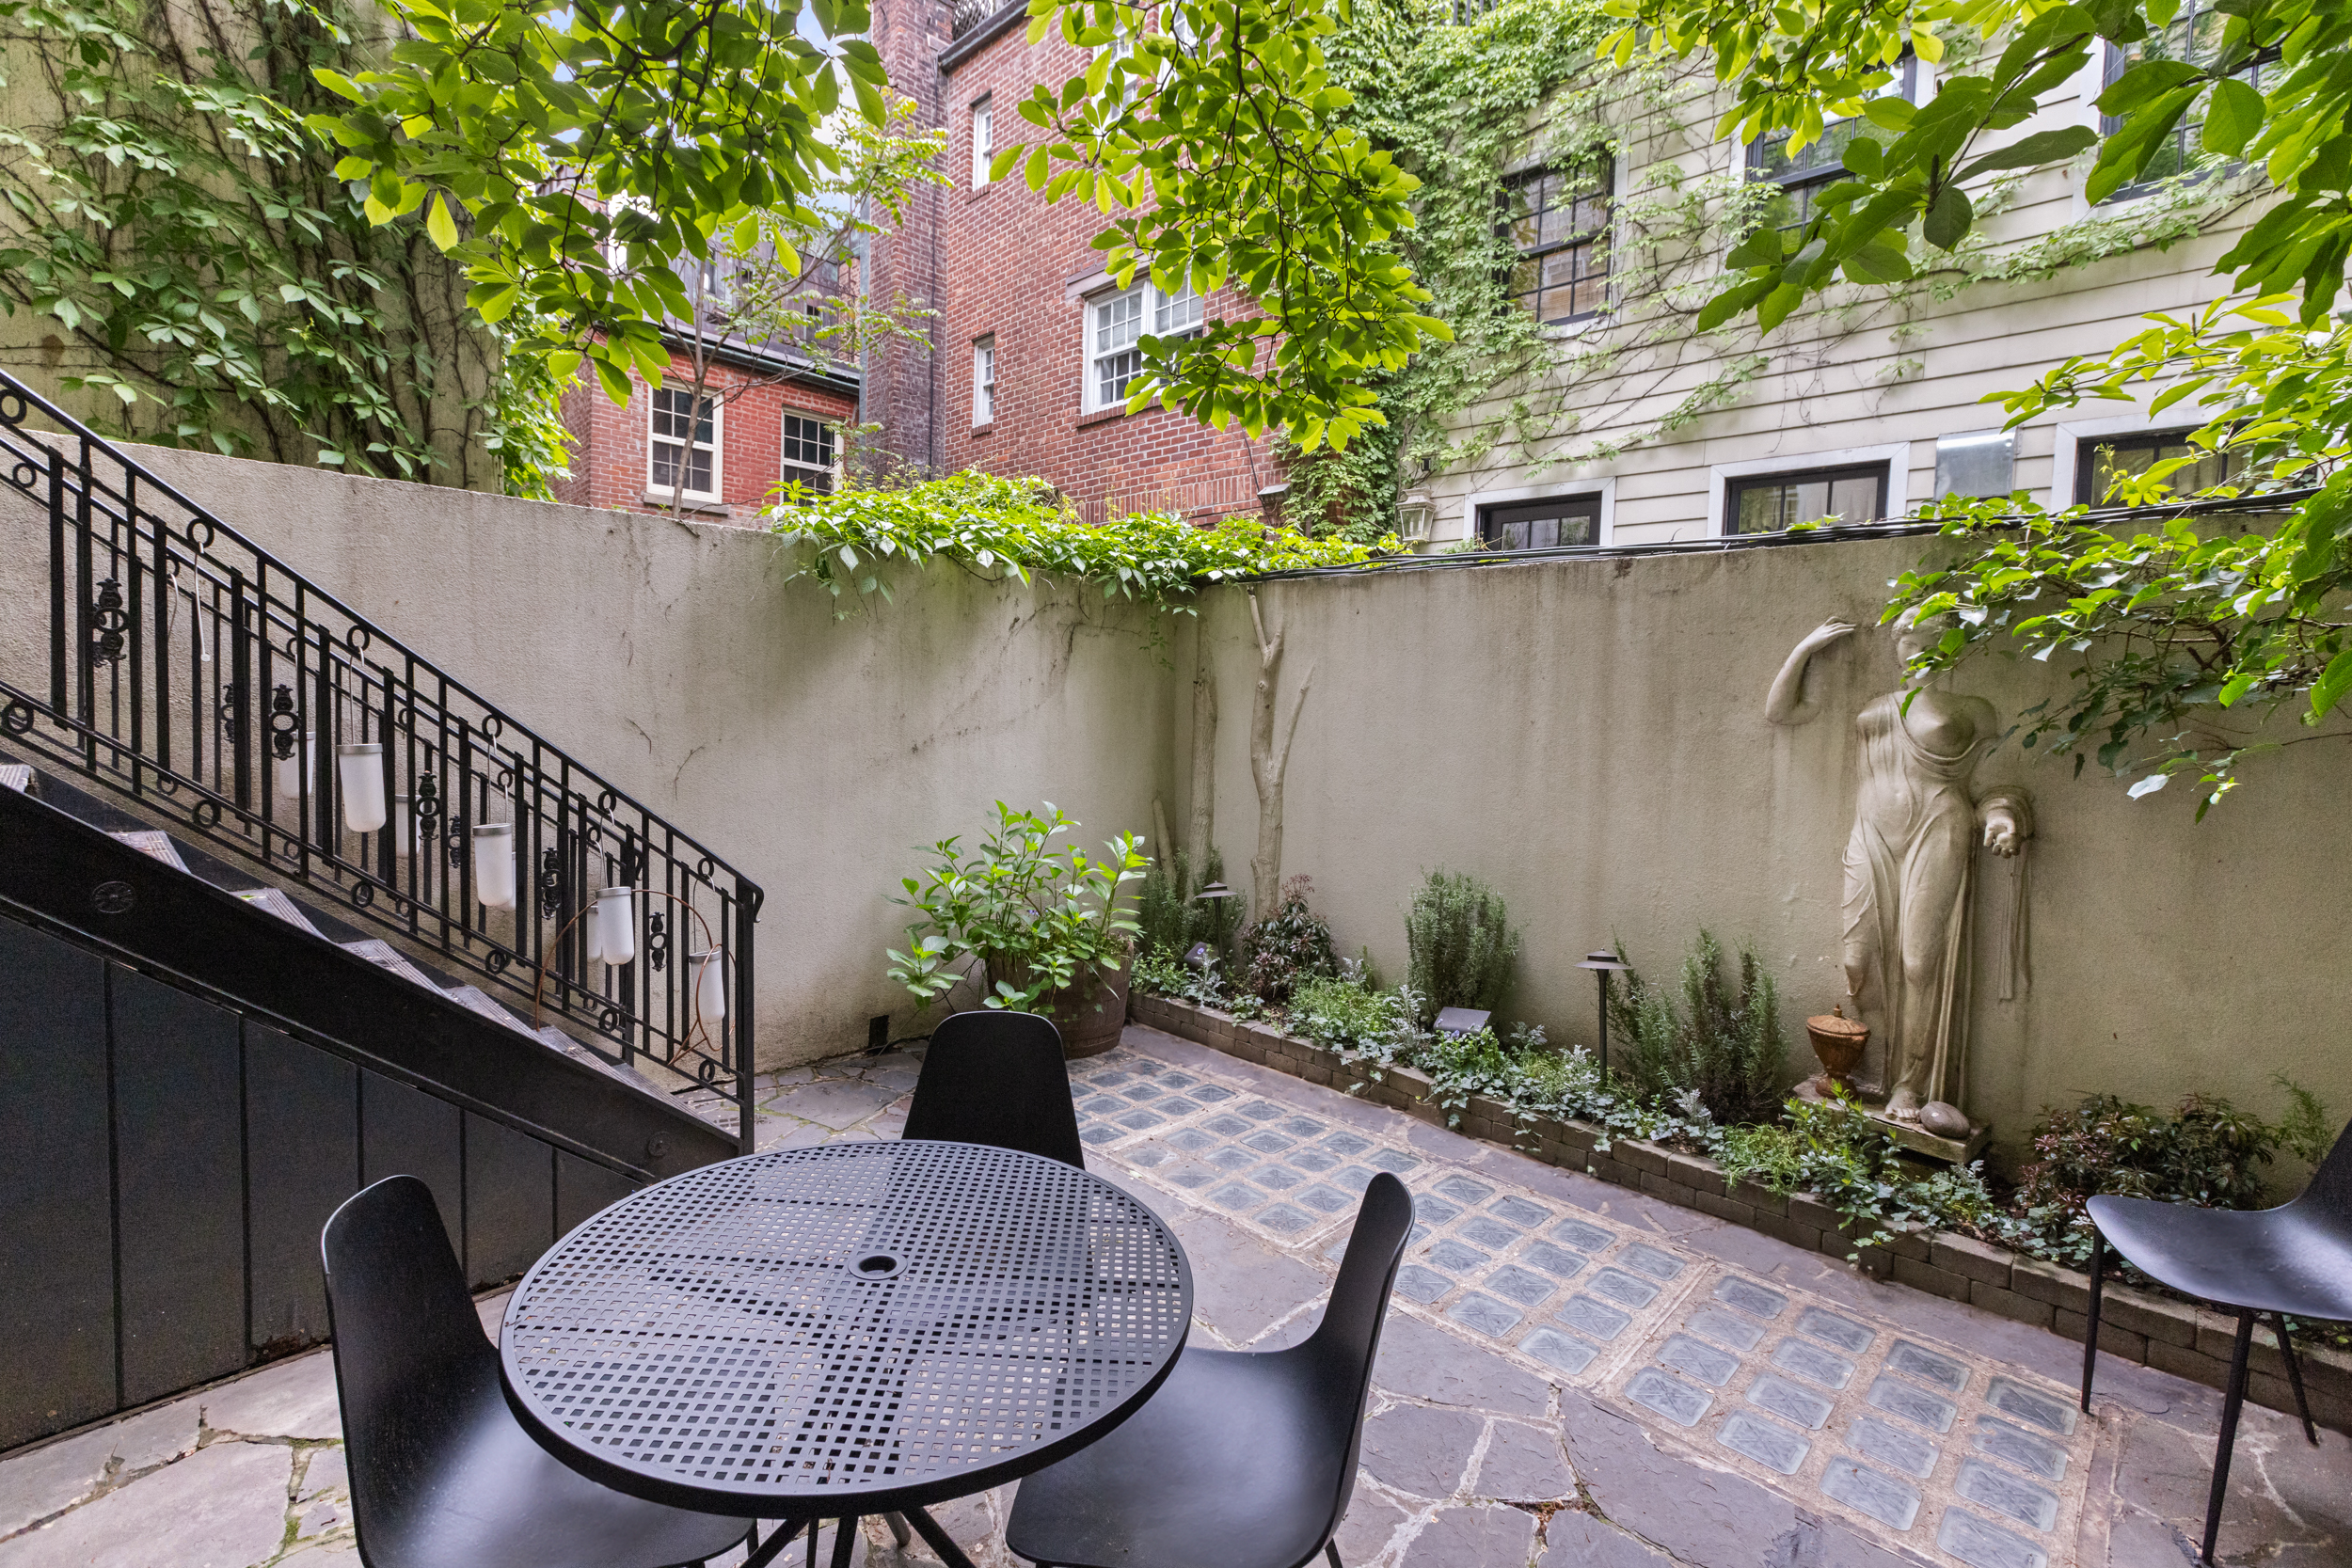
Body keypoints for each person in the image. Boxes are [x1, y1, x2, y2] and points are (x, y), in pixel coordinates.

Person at [1767, 613, 2029, 1117]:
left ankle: (1909, 1081)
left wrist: (2001, 817)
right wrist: (1805, 648)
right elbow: (1781, 713)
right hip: (1870, 835)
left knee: (1918, 962)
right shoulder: (1874, 705)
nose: (1917, 650)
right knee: (1857, 963)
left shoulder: (1973, 710)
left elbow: (1999, 781)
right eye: (1909, 639)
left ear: (1953, 646)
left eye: (1932, 640)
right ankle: (1861, 1070)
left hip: (1938, 826)